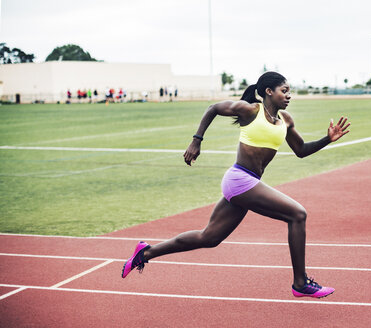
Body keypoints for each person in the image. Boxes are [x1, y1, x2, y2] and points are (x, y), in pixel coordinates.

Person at [121, 71, 350, 299]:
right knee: (297, 214)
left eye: (289, 91)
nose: (289, 96)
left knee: (209, 238)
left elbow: (301, 151)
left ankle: (145, 253)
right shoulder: (249, 110)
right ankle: (300, 283)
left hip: (246, 184)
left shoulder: (285, 121)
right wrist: (196, 141)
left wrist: (327, 139)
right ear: (269, 92)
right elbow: (213, 109)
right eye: (284, 91)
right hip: (240, 179)